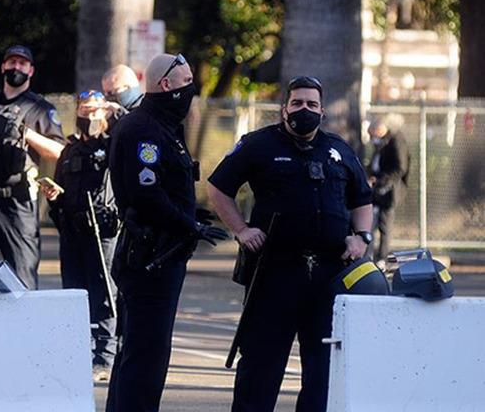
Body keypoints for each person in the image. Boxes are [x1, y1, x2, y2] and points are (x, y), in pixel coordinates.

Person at [206, 75, 373, 412]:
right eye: (297, 103)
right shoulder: (258, 145)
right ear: (284, 109)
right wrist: (241, 229)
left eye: (312, 104)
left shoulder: (338, 149)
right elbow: (217, 188)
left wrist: (362, 238)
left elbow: (362, 200)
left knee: (323, 370)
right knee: (260, 369)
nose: (304, 109)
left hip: (328, 275)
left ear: (322, 111)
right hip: (274, 273)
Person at [105, 53, 228, 412]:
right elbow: (146, 193)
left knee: (140, 353)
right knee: (146, 357)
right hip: (150, 258)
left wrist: (193, 213)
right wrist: (188, 224)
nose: (192, 88)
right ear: (166, 85)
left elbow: (166, 187)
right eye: (186, 81)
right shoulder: (144, 128)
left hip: (163, 254)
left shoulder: (163, 125)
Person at [0, 44, 65, 290]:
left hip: (15, 205)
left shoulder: (40, 108)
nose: (16, 67)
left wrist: (27, 135)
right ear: (3, 67)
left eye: (22, 63)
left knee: (21, 280)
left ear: (31, 70)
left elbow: (58, 152)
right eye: (12, 62)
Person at [45, 89, 119, 382]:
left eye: (95, 110)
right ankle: (79, 353)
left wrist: (114, 110)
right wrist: (54, 196)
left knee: (104, 295)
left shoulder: (113, 145)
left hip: (102, 232)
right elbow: (62, 191)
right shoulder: (70, 150)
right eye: (84, 110)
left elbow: (128, 124)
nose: (89, 116)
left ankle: (104, 357)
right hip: (73, 231)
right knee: (74, 294)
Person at [367, 114, 409, 267]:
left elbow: (400, 168)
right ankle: (369, 256)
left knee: (385, 226)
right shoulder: (380, 144)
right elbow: (375, 164)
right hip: (376, 190)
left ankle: (382, 258)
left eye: (373, 133)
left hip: (389, 191)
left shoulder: (395, 141)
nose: (372, 138)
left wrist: (381, 180)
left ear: (380, 129)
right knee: (369, 224)